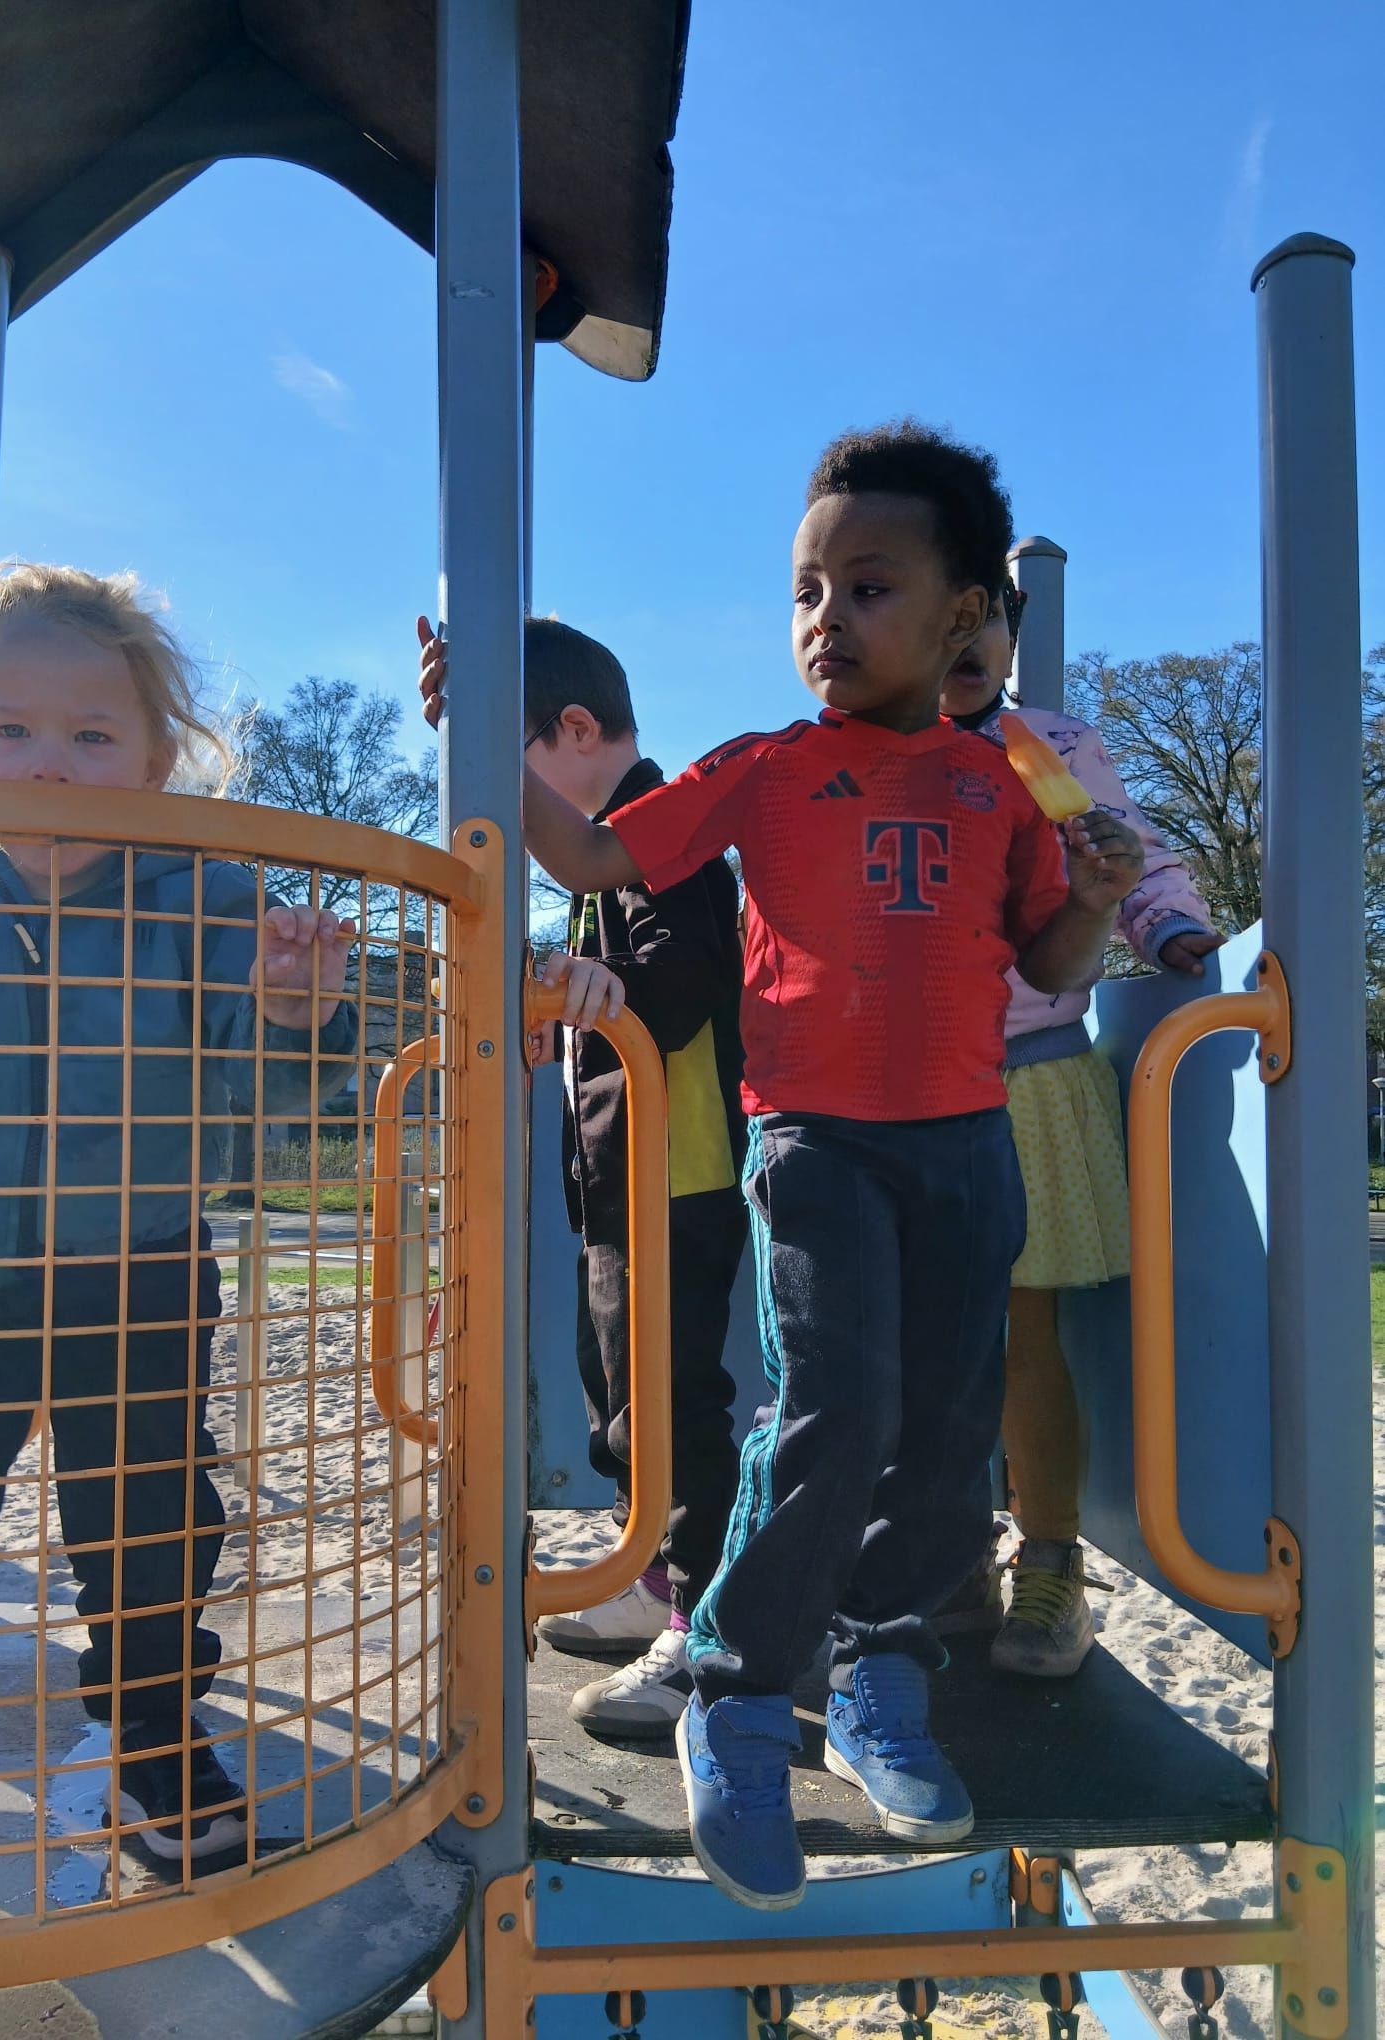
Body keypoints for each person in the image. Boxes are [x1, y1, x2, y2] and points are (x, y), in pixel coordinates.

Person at [421, 420, 1146, 1910]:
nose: (828, 619)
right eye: (808, 591)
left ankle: (879, 1667)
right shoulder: (765, 769)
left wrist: (1093, 899)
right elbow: (596, 860)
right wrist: (478, 739)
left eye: (870, 588)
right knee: (836, 1404)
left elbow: (1048, 959)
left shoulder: (999, 784)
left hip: (965, 1138)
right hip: (815, 1138)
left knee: (949, 1428)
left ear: (963, 615)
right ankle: (739, 1688)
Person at [0, 561, 360, 1860]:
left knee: (148, 1521)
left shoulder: (203, 899)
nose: (49, 766)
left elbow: (271, 1093)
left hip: (135, 1263)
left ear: (153, 762)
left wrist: (295, 1010)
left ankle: (151, 1733)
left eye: (91, 736)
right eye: (10, 729)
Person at [416, 615, 747, 1736]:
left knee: (671, 1401)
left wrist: (596, 986)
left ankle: (702, 1623)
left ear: (573, 729)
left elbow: (684, 976)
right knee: (617, 1391)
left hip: (678, 1169)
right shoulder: (604, 856)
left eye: (508, 756)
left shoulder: (662, 829)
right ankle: (651, 1576)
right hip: (621, 1176)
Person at [939, 587, 1221, 1676]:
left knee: (1023, 1336)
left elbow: (1126, 850)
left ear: (1009, 634)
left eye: (983, 616)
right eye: (937, 609)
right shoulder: (871, 750)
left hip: (1029, 1069)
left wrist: (1172, 927)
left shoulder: (1049, 746)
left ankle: (1049, 1560)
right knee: (919, 1345)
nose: (963, 639)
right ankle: (947, 1550)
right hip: (907, 1079)